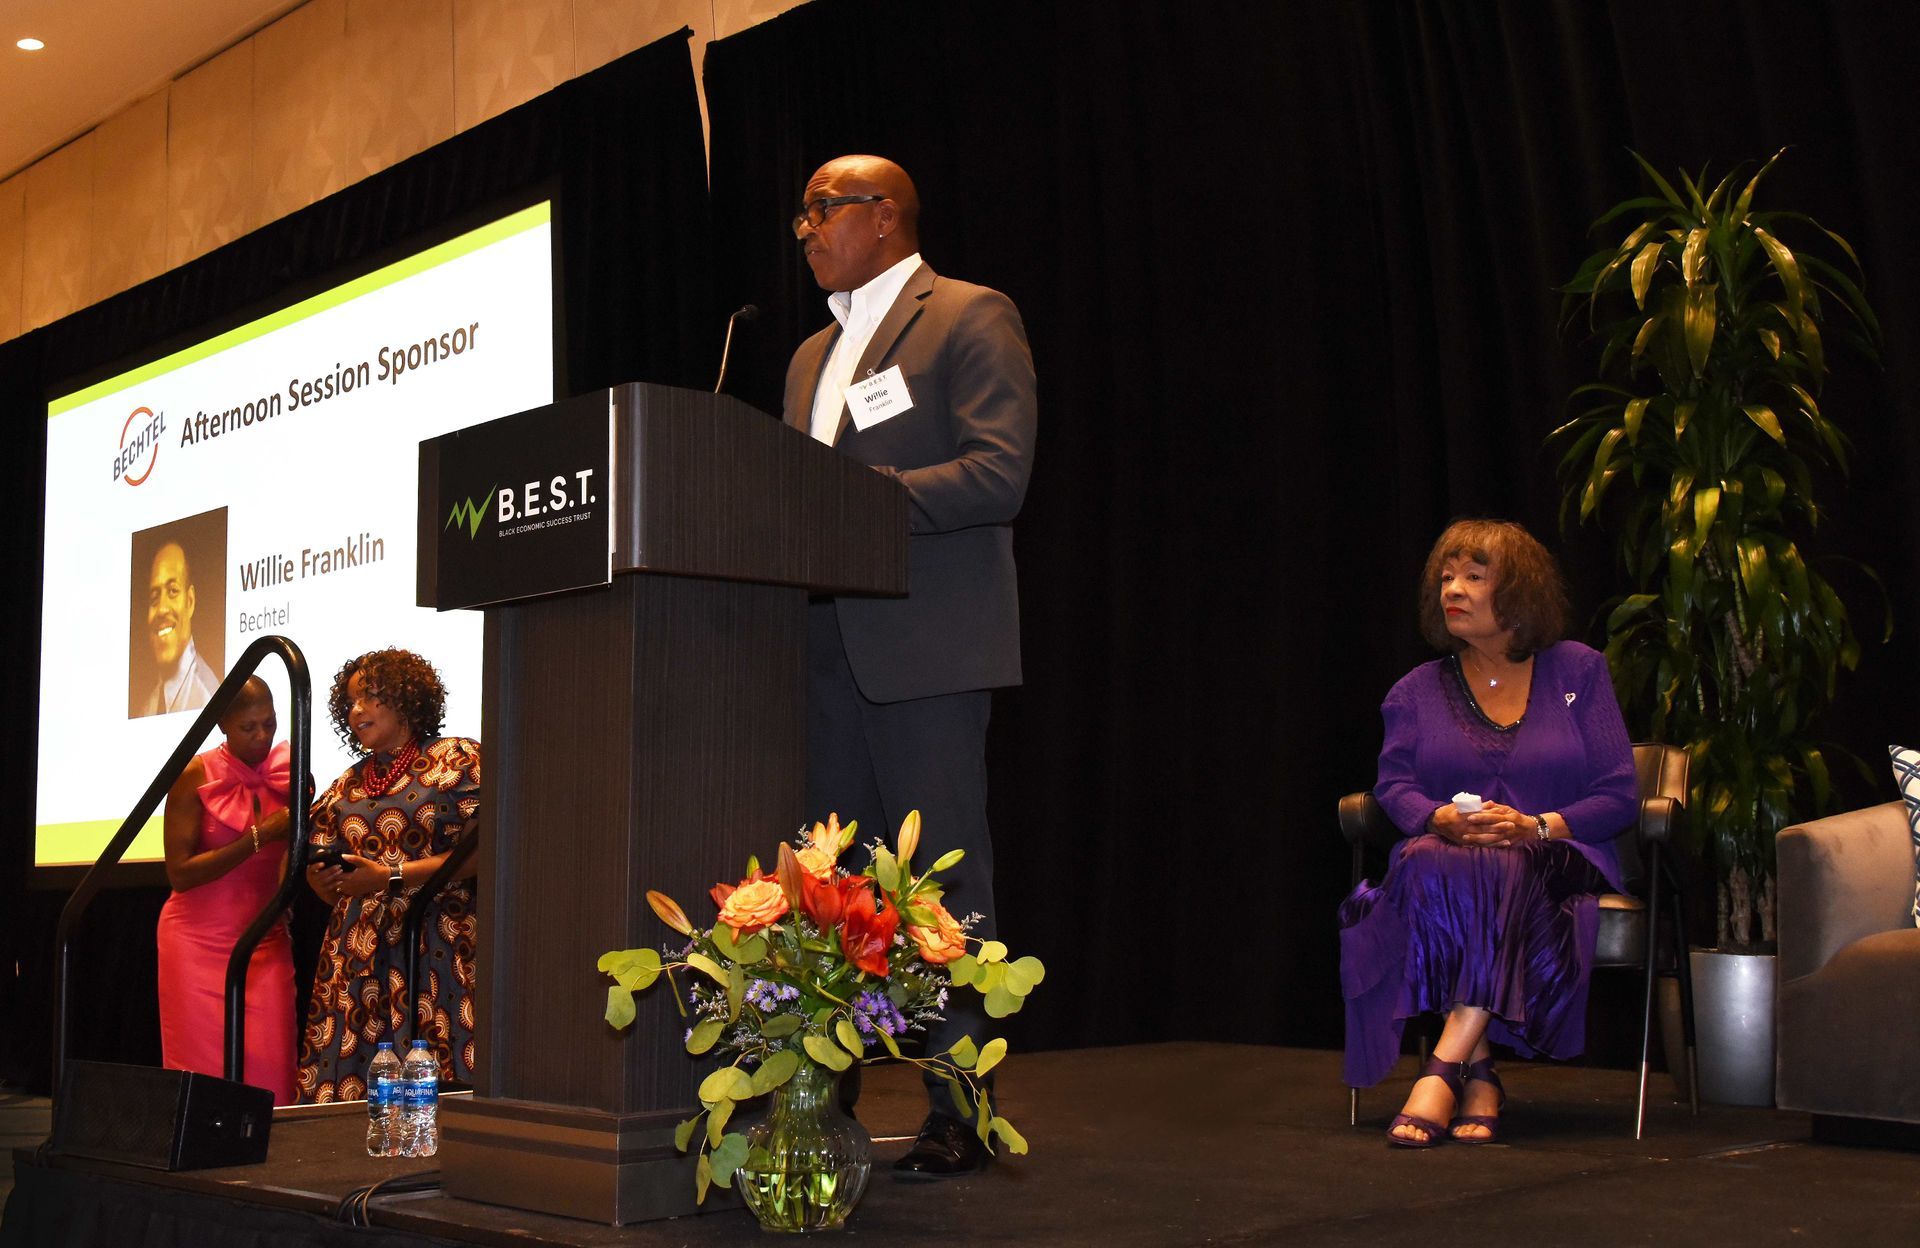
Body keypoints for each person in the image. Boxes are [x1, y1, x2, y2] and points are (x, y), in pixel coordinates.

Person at [783, 154, 1037, 1177]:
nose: (804, 230)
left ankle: (960, 1107)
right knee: (823, 886)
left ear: (882, 216)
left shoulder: (969, 316)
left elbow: (998, 469)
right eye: (799, 215)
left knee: (943, 887)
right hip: (818, 655)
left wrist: (853, 503)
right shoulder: (807, 357)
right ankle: (817, 1092)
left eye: (819, 210)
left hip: (927, 648)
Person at [1339, 519, 1638, 1147]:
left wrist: (1535, 824)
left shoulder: (1578, 673)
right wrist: (1436, 817)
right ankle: (1478, 1075)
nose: (1454, 589)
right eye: (1447, 577)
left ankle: (1442, 1069)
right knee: (1424, 857)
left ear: (1518, 593)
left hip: (1559, 853)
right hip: (1449, 856)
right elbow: (1394, 787)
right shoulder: (1414, 691)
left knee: (1504, 864)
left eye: (1475, 577)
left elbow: (1618, 794)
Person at [295, 648, 480, 1103]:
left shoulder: (455, 760)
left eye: (373, 697)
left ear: (409, 701)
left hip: (434, 944)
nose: (358, 710)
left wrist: (390, 877)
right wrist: (323, 885)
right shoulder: (345, 784)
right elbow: (324, 872)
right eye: (352, 701)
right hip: (360, 958)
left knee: (435, 1084)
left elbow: (485, 852)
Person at [156, 677, 297, 1104]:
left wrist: (282, 893)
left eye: (269, 724)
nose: (262, 736)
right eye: (248, 727)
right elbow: (179, 874)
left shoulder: (290, 770)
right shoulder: (193, 775)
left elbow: (293, 846)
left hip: (264, 938)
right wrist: (257, 837)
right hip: (196, 939)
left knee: (273, 1065)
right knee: (203, 1074)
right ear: (222, 724)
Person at [141, 540, 220, 716]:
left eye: (173, 591)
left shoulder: (209, 697)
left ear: (190, 602)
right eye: (154, 597)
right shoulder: (147, 707)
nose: (161, 609)